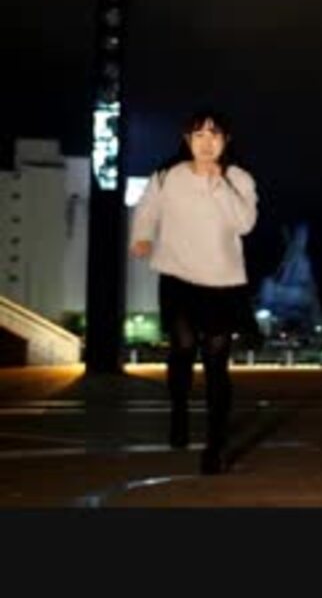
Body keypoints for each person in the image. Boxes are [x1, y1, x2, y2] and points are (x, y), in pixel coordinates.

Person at [130, 108, 258, 475]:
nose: (206, 142)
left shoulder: (239, 178)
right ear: (187, 140)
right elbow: (147, 209)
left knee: (216, 364)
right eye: (198, 135)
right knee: (183, 349)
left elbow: (245, 223)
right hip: (178, 276)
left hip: (222, 282)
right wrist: (142, 236)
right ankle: (179, 410)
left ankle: (215, 446)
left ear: (226, 140)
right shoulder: (167, 175)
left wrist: (220, 185)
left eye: (214, 135)